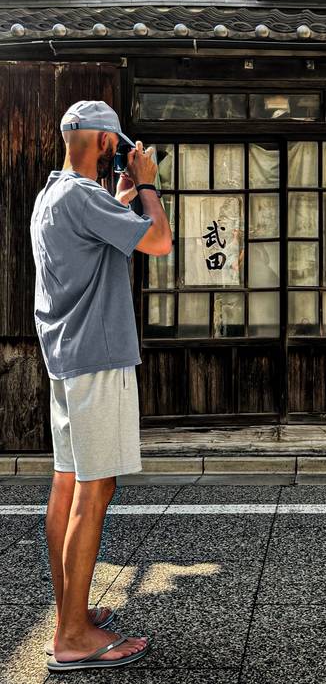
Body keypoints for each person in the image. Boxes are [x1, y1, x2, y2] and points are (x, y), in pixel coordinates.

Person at [29, 100, 172, 672]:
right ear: (107, 144)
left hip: (65, 359)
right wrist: (147, 186)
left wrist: (121, 195)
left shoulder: (53, 195)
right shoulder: (85, 199)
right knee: (96, 488)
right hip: (98, 359)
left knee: (67, 483)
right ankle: (71, 638)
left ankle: (72, 614)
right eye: (120, 146)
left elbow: (99, 233)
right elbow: (157, 241)